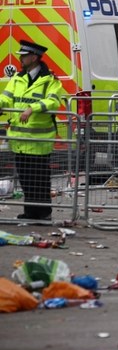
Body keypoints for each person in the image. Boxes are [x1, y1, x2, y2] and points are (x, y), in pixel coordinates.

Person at [0, 40, 64, 221]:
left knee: (40, 179)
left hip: (38, 142)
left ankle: (43, 213)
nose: (21, 59)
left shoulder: (49, 80)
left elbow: (53, 101)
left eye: (24, 56)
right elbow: (6, 98)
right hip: (19, 140)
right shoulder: (17, 78)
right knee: (26, 179)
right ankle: (29, 213)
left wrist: (32, 108)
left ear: (34, 57)